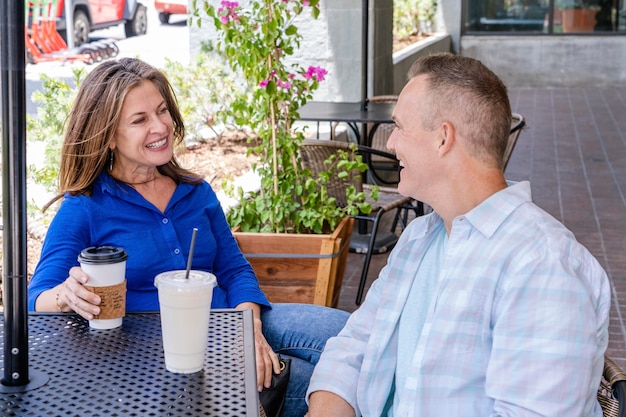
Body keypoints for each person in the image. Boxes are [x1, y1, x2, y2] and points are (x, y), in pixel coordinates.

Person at [27, 57, 349, 417]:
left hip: (232, 320)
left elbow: (234, 269)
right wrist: (65, 296)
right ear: (108, 138)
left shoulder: (196, 192)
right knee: (340, 383)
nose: (160, 126)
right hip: (161, 357)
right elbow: (36, 298)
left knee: (355, 336)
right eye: (139, 120)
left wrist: (249, 332)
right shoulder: (84, 208)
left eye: (162, 111)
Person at [306, 53, 611, 416]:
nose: (391, 144)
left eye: (400, 127)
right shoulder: (421, 235)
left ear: (443, 138)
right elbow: (357, 342)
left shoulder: (543, 266)